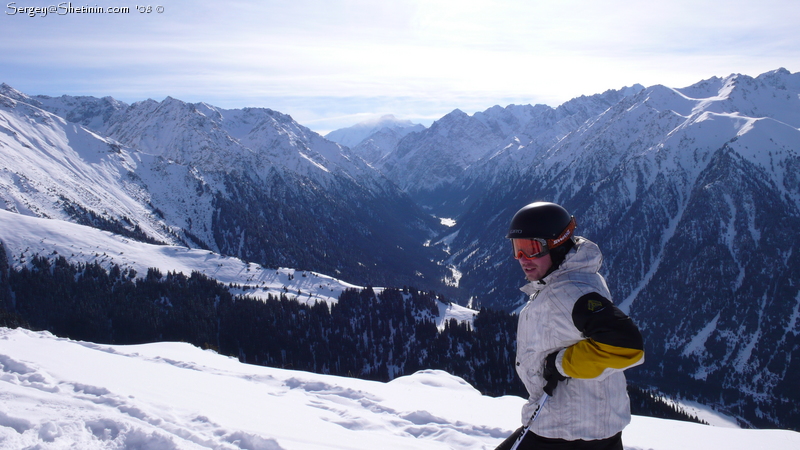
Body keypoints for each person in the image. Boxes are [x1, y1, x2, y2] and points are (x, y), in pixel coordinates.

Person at [496, 202, 644, 450]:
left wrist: (561, 363)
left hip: (565, 433)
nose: (522, 259)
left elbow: (627, 345)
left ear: (557, 244)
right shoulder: (576, 279)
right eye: (517, 248)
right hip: (591, 428)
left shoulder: (568, 293)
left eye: (531, 248)